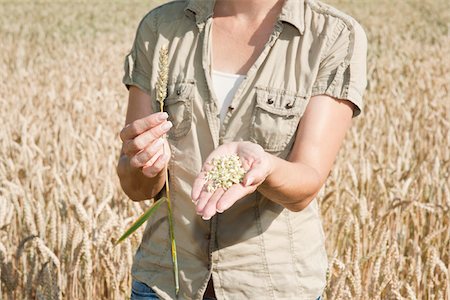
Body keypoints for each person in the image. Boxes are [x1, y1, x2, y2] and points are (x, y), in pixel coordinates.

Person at [117, 0, 367, 299]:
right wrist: (144, 162)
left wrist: (265, 168)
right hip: (165, 283)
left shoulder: (332, 34)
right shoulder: (161, 27)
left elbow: (306, 184)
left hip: (273, 287)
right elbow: (137, 188)